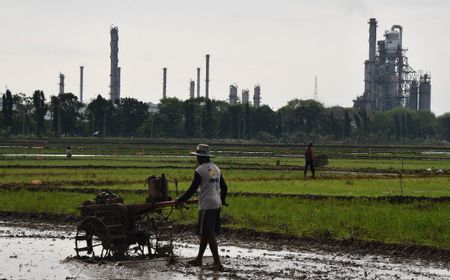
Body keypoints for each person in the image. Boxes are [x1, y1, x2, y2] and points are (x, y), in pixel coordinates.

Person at [176, 144, 228, 270]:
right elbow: (224, 187)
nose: (197, 159)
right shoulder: (214, 168)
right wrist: (222, 200)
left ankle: (217, 263)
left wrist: (180, 200)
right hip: (216, 204)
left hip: (206, 205)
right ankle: (199, 259)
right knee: (205, 233)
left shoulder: (200, 170)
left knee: (209, 234)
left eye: (198, 157)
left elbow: (192, 189)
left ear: (202, 157)